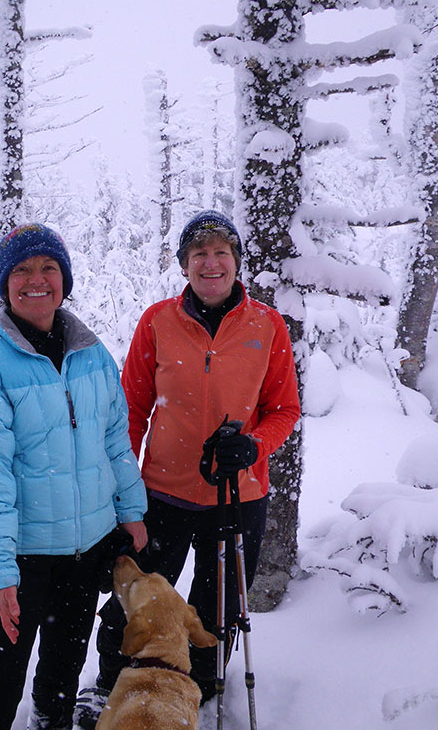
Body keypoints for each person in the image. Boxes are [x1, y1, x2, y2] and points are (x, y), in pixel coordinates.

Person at [74, 210, 301, 729]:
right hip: (162, 495)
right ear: (184, 266)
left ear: (237, 263)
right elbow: (130, 410)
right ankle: (108, 686)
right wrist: (119, 485)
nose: (211, 263)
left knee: (215, 614)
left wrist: (253, 445)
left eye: (221, 252)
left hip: (237, 497)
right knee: (134, 597)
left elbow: (285, 409)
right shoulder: (158, 321)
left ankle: (189, 698)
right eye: (199, 254)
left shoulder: (267, 326)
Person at [0, 222, 148, 730]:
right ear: (4, 285)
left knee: (62, 673)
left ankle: (51, 721)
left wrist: (131, 511)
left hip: (84, 554)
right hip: (20, 557)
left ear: (64, 280)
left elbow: (114, 442)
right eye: (21, 270)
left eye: (48, 268)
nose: (36, 280)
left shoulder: (91, 354)